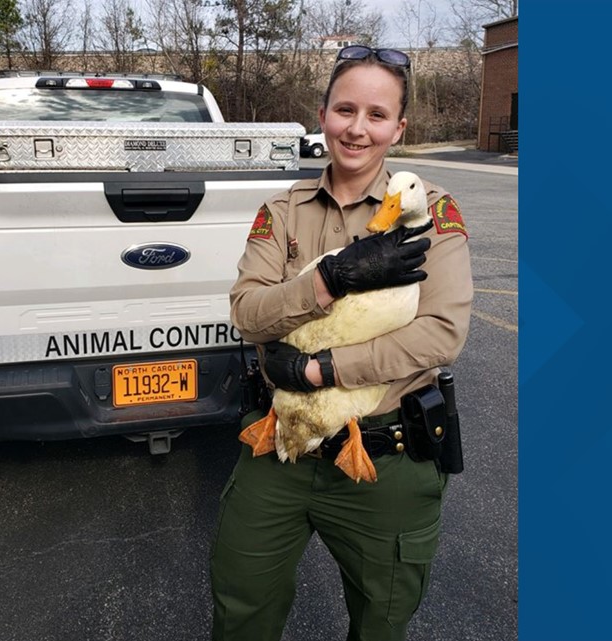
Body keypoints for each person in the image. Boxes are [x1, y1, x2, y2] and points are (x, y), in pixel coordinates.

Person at [209, 45, 473, 641]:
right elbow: (248, 315)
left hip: (385, 456)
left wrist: (319, 370)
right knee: (240, 602)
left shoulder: (432, 214)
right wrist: (329, 279)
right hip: (283, 442)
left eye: (377, 115)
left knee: (381, 619)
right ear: (323, 114)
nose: (358, 129)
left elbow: (441, 334)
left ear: (399, 127)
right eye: (345, 109)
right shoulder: (282, 212)